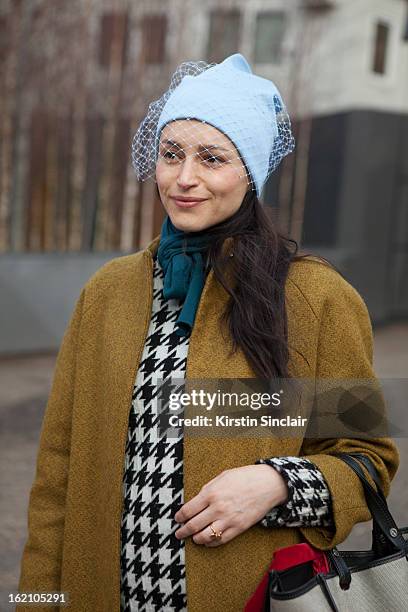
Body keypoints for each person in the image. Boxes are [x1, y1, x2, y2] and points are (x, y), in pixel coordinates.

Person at [17, 54, 399, 612]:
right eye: (171, 154)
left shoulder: (315, 299)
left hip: (250, 597)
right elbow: (57, 474)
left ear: (250, 173)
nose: (184, 178)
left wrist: (278, 483)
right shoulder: (108, 292)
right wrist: (34, 599)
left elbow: (367, 457)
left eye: (212, 158)